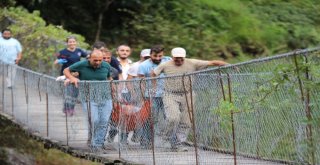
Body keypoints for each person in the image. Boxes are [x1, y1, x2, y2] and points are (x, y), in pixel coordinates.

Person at [151, 47, 228, 151]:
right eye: (176, 58)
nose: (179, 60)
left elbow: (212, 63)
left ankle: (178, 144)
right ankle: (166, 139)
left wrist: (229, 65)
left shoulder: (193, 63)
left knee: (186, 121)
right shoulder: (165, 64)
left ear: (184, 57)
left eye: (181, 58)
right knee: (173, 117)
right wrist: (154, 87)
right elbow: (153, 73)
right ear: (173, 57)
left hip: (188, 94)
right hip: (170, 94)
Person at [63, 49, 113, 153]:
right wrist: (72, 78)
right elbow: (66, 70)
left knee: (104, 121)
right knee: (94, 120)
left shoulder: (106, 65)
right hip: (88, 97)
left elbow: (109, 78)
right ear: (89, 58)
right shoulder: (82, 64)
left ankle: (98, 144)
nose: (98, 62)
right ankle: (93, 142)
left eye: (100, 60)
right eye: (95, 60)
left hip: (105, 96)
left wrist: (114, 89)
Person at [137, 44, 171, 148]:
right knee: (151, 119)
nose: (157, 58)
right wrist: (143, 97)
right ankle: (146, 141)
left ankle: (173, 142)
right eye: (155, 56)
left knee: (171, 118)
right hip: (151, 96)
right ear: (150, 55)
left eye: (160, 56)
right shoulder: (143, 65)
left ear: (163, 54)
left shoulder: (168, 61)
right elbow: (141, 82)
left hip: (167, 94)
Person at [54, 36, 88, 116]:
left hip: (76, 74)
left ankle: (71, 108)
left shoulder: (79, 51)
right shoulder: (63, 52)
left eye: (73, 41)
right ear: (67, 43)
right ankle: (66, 109)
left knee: (75, 93)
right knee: (68, 92)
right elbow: (57, 61)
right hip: (66, 74)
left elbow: (88, 57)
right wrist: (59, 61)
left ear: (76, 42)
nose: (72, 43)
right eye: (70, 42)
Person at [107, 44, 133, 145]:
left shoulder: (132, 64)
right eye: (122, 50)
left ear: (129, 52)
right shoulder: (112, 62)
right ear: (117, 52)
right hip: (115, 92)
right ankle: (112, 134)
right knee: (115, 116)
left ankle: (124, 138)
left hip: (128, 92)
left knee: (127, 115)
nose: (124, 52)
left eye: (127, 50)